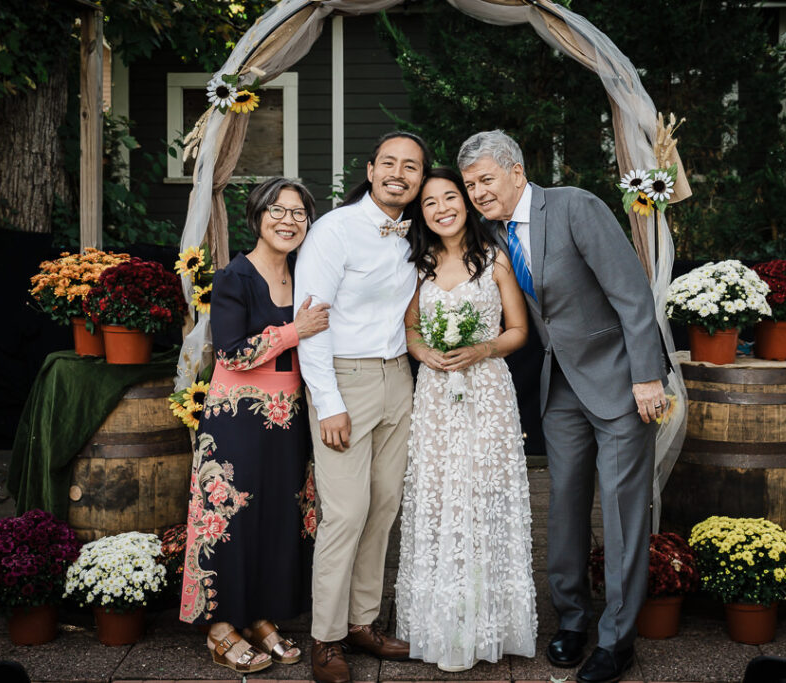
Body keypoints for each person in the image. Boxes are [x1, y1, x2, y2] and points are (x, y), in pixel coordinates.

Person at [459, 130, 668, 683]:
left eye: (485, 179)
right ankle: (573, 621)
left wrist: (648, 376)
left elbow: (631, 292)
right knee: (564, 507)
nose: (478, 192)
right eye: (470, 184)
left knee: (622, 514)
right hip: (561, 388)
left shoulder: (575, 206)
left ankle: (617, 639)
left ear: (517, 172)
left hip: (621, 383)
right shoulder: (493, 233)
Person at [293, 131, 432, 683]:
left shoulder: (420, 230)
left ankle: (362, 622)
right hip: (344, 381)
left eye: (413, 167)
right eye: (390, 164)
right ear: (371, 170)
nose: (400, 173)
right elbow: (312, 321)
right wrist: (328, 403)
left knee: (383, 506)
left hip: (400, 377)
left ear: (421, 178)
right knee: (345, 512)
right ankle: (324, 639)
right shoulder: (334, 230)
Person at [179, 177, 330, 674]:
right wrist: (295, 330)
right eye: (278, 211)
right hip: (236, 420)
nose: (289, 221)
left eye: (299, 213)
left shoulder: (308, 275)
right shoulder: (233, 277)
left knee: (278, 517)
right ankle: (220, 625)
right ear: (258, 216)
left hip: (288, 420)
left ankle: (261, 616)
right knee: (231, 519)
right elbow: (231, 351)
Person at [395, 167, 538, 672]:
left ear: (466, 201)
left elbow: (519, 330)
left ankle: (490, 621)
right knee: (439, 496)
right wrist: (423, 353)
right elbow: (410, 329)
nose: (441, 208)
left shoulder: (495, 258)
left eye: (449, 197)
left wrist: (480, 349)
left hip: (488, 392)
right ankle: (443, 624)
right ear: (423, 213)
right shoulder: (418, 265)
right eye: (429, 203)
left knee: (484, 494)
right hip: (436, 394)